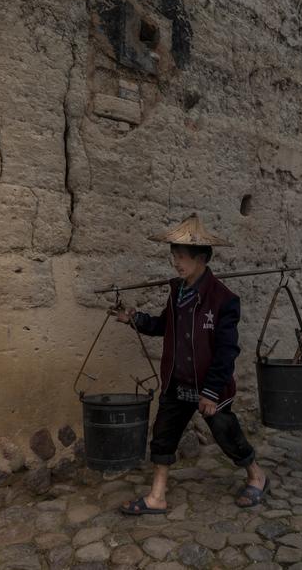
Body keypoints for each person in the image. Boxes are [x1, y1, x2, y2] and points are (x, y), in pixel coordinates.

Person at [112, 213, 268, 514]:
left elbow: (227, 350)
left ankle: (256, 475)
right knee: (164, 435)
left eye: (181, 257)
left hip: (208, 386)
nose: (176, 262)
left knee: (225, 432)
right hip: (176, 379)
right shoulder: (177, 292)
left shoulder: (224, 300)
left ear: (201, 259)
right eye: (174, 256)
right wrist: (134, 319)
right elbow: (163, 326)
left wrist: (211, 391)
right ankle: (157, 496)